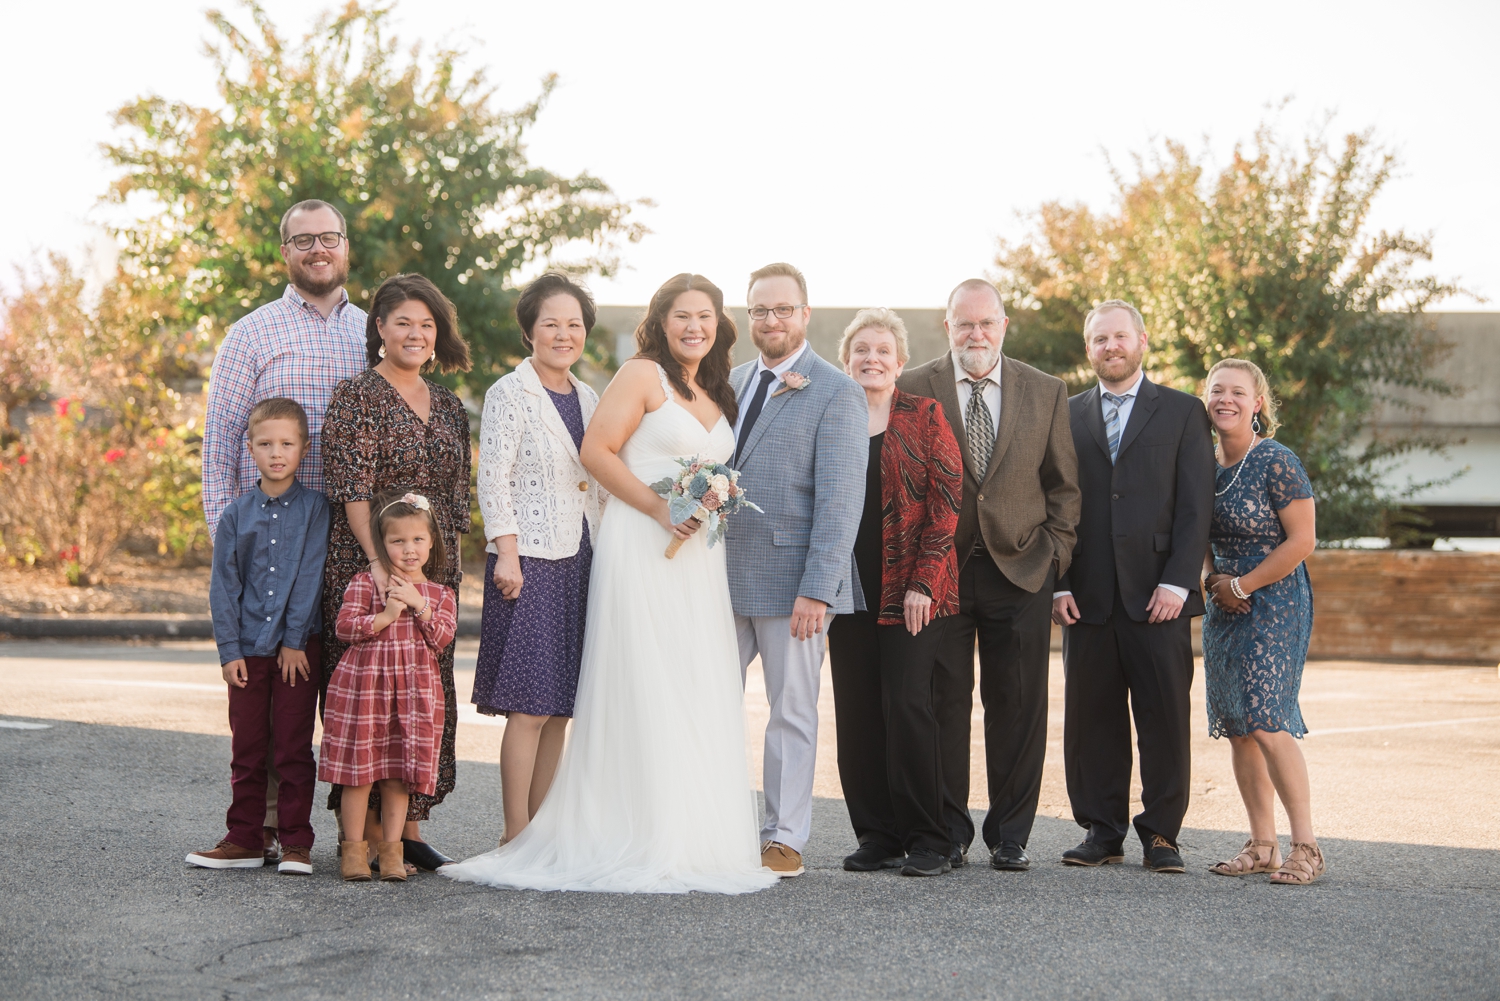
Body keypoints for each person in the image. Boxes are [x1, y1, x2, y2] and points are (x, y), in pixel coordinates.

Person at [441, 273, 777, 894]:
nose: (693, 326)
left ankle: (686, 827)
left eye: (704, 315)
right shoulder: (639, 376)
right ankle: (542, 831)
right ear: (660, 320)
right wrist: (658, 509)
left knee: (689, 681)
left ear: (720, 324)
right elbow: (598, 454)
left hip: (694, 554)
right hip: (637, 541)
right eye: (681, 315)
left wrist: (710, 502)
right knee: (627, 680)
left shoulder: (714, 389)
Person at [200, 199, 366, 861]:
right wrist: (228, 552)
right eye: (304, 241)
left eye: (328, 238)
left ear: (346, 246)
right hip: (269, 548)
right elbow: (218, 448)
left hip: (352, 548)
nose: (318, 249)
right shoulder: (251, 333)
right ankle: (261, 830)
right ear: (285, 252)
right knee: (267, 701)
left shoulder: (371, 332)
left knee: (352, 695)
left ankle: (367, 834)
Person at [896, 279, 1080, 872]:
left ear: (1004, 326)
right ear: (946, 327)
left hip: (1021, 568)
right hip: (938, 571)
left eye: (986, 323)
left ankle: (1011, 834)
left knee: (1018, 706)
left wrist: (1055, 554)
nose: (975, 334)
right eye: (963, 323)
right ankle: (948, 833)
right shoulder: (911, 386)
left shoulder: (1046, 391)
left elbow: (1064, 485)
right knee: (944, 703)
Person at [1051, 300, 1215, 873]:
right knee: (1091, 718)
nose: (1110, 347)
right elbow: (1054, 506)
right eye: (1099, 339)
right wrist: (1058, 583)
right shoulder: (1065, 414)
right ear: (1089, 348)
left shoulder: (1182, 412)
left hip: (1158, 599)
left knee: (1164, 716)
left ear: (1142, 341)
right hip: (1087, 597)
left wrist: (1177, 580)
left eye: (1120, 337)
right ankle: (1102, 829)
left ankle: (1162, 834)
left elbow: (1197, 507)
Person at [321, 273, 472, 872]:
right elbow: (353, 490)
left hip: (433, 567)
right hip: (367, 562)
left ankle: (406, 830)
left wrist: (436, 579)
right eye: (403, 322)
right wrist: (382, 567)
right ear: (379, 328)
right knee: (367, 704)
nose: (415, 333)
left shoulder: (452, 405)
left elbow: (457, 501)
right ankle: (355, 836)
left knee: (425, 695)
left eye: (427, 324)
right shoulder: (355, 396)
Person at [727, 262, 868, 878]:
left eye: (782, 309)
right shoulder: (727, 381)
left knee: (791, 711)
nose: (771, 320)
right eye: (760, 310)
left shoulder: (837, 390)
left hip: (794, 584)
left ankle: (783, 835)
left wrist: (820, 588)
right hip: (719, 578)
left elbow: (842, 500)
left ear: (805, 315)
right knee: (707, 704)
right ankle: (716, 822)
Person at [827, 309, 963, 878]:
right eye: (861, 349)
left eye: (883, 350)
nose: (872, 359)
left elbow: (947, 502)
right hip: (845, 587)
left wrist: (923, 584)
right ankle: (877, 835)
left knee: (908, 707)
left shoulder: (925, 414)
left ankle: (932, 839)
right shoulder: (830, 415)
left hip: (913, 591)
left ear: (900, 362)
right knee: (856, 713)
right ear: (846, 359)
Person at [472, 273, 604, 844]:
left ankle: (542, 829)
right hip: (528, 560)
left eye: (573, 324)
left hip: (581, 558)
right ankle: (514, 831)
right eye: (550, 323)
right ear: (529, 331)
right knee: (528, 704)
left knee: (560, 706)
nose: (563, 333)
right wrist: (506, 553)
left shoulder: (591, 396)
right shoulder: (510, 392)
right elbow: (491, 478)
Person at [187, 398, 329, 876]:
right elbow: (223, 587)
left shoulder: (315, 509)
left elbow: (310, 576)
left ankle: (295, 844)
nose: (276, 453)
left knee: (292, 747)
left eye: (287, 443)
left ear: (304, 450)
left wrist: (293, 640)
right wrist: (229, 650)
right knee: (247, 748)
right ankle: (244, 838)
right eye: (265, 443)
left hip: (297, 651)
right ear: (249, 449)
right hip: (247, 651)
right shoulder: (235, 515)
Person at [1200, 359, 1324, 885]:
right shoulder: (1202, 465)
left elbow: (1303, 540)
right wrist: (1213, 583)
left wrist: (1242, 585)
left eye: (1237, 392)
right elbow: (1196, 537)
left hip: (1274, 603)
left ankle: (1307, 847)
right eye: (1216, 390)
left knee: (1267, 722)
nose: (1225, 399)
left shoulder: (1275, 460)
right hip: (1223, 605)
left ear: (1258, 404)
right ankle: (1263, 844)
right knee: (1240, 730)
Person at [320, 489, 459, 882]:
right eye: (398, 541)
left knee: (399, 776)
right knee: (359, 772)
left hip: (413, 694)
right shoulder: (366, 583)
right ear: (384, 544)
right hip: (365, 690)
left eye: (417, 540)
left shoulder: (439, 594)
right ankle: (354, 853)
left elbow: (443, 638)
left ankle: (392, 853)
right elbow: (344, 627)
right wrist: (384, 616)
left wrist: (419, 605)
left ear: (431, 543)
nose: (409, 549)